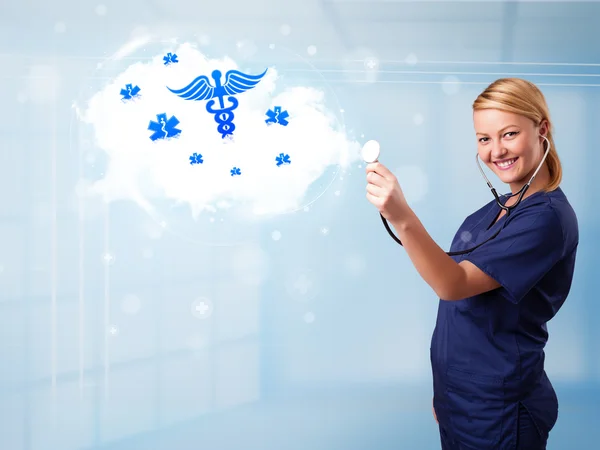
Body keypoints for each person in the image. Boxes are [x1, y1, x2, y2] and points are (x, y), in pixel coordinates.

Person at [365, 77, 579, 449]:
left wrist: (402, 217)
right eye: (484, 138)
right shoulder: (495, 211)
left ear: (542, 129)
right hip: (461, 398)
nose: (496, 150)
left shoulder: (546, 219)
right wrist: (447, 390)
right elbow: (459, 302)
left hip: (499, 407)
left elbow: (453, 284)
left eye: (509, 134)